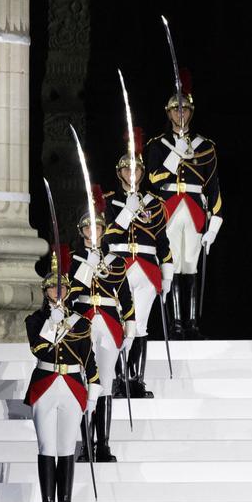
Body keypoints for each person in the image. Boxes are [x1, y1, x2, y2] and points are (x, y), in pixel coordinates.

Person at [25, 251, 101, 502]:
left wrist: (93, 393)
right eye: (53, 288)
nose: (58, 292)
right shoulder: (34, 320)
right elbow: (39, 350)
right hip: (45, 385)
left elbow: (89, 361)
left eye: (62, 288)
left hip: (71, 386)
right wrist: (52, 323)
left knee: (67, 445)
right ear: (45, 291)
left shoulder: (81, 323)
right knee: (46, 445)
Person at [144, 73, 221, 339]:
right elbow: (154, 178)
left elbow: (213, 188)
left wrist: (214, 227)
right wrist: (175, 153)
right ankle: (176, 323)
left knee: (191, 266)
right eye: (175, 109)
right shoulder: (158, 145)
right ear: (168, 113)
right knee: (174, 265)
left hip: (195, 210)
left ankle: (192, 323)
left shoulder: (206, 146)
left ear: (190, 112)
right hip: (170, 208)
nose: (180, 114)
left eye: (184, 109)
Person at [105, 139, 174, 398]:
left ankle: (136, 380)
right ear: (119, 172)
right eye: (127, 170)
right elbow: (109, 237)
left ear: (142, 173)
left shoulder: (155, 204)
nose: (131, 174)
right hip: (119, 269)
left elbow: (162, 241)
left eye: (136, 170)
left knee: (141, 325)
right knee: (123, 323)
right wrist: (126, 213)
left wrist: (167, 275)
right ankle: (118, 379)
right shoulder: (109, 202)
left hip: (146, 268)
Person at [67, 199, 135, 462]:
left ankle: (103, 445)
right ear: (81, 231)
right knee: (87, 383)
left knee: (105, 384)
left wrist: (130, 326)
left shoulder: (115, 262)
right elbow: (72, 292)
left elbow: (126, 296)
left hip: (108, 323)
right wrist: (87, 266)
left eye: (97, 227)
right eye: (88, 228)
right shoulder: (74, 261)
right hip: (84, 322)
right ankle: (86, 445)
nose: (92, 232)